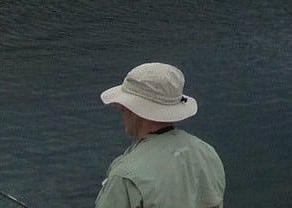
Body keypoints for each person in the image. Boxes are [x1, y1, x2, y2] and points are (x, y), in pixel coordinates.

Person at [96, 62, 226, 208]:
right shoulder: (207, 154)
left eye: (125, 104)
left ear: (138, 110)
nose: (120, 108)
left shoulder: (125, 176)